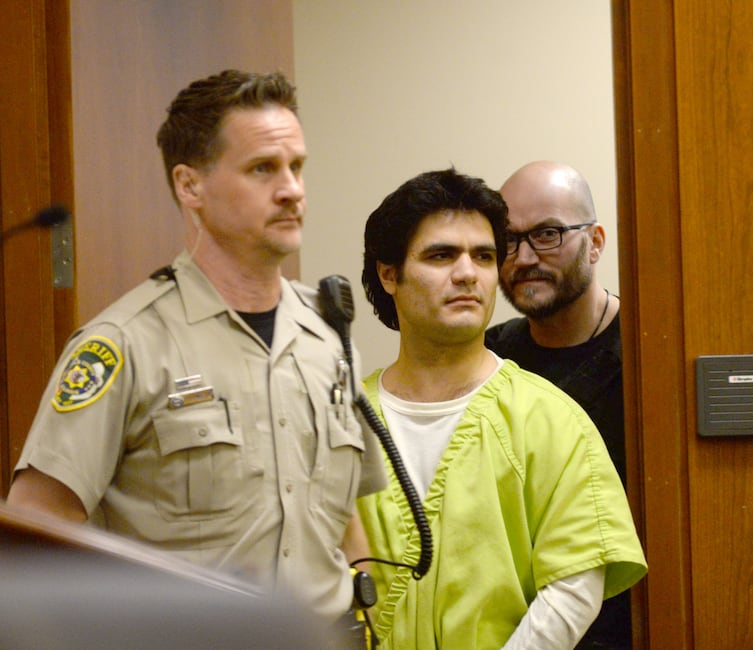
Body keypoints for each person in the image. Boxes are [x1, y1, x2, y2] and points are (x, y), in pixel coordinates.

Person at [6, 69, 385, 625]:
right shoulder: (125, 345)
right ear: (190, 187)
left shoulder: (329, 337)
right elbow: (34, 531)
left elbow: (343, 519)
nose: (291, 189)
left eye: (297, 167)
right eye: (263, 168)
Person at [356, 168, 647, 649]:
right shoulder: (346, 421)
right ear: (390, 274)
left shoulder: (551, 418)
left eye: (485, 256)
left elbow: (574, 586)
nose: (467, 273)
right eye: (441, 255)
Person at [485, 161, 631, 648]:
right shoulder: (488, 359)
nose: (524, 257)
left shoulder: (648, 357)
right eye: (508, 240)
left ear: (595, 242)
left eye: (548, 234)